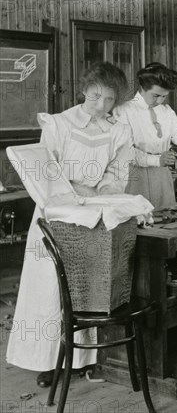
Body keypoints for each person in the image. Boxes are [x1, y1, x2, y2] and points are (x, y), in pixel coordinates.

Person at [6, 62, 134, 387]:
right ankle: (48, 362)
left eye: (109, 99)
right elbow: (45, 167)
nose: (101, 105)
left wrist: (102, 190)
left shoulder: (119, 129)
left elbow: (118, 171)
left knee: (86, 285)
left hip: (92, 212)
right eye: (95, 97)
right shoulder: (59, 123)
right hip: (55, 210)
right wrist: (69, 189)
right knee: (51, 285)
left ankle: (84, 359)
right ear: (84, 90)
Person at [113, 62, 177, 209]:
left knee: (165, 217)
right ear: (143, 88)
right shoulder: (123, 110)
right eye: (155, 95)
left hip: (162, 175)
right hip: (134, 176)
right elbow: (124, 151)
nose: (159, 101)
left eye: (164, 96)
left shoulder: (166, 111)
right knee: (138, 220)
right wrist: (158, 160)